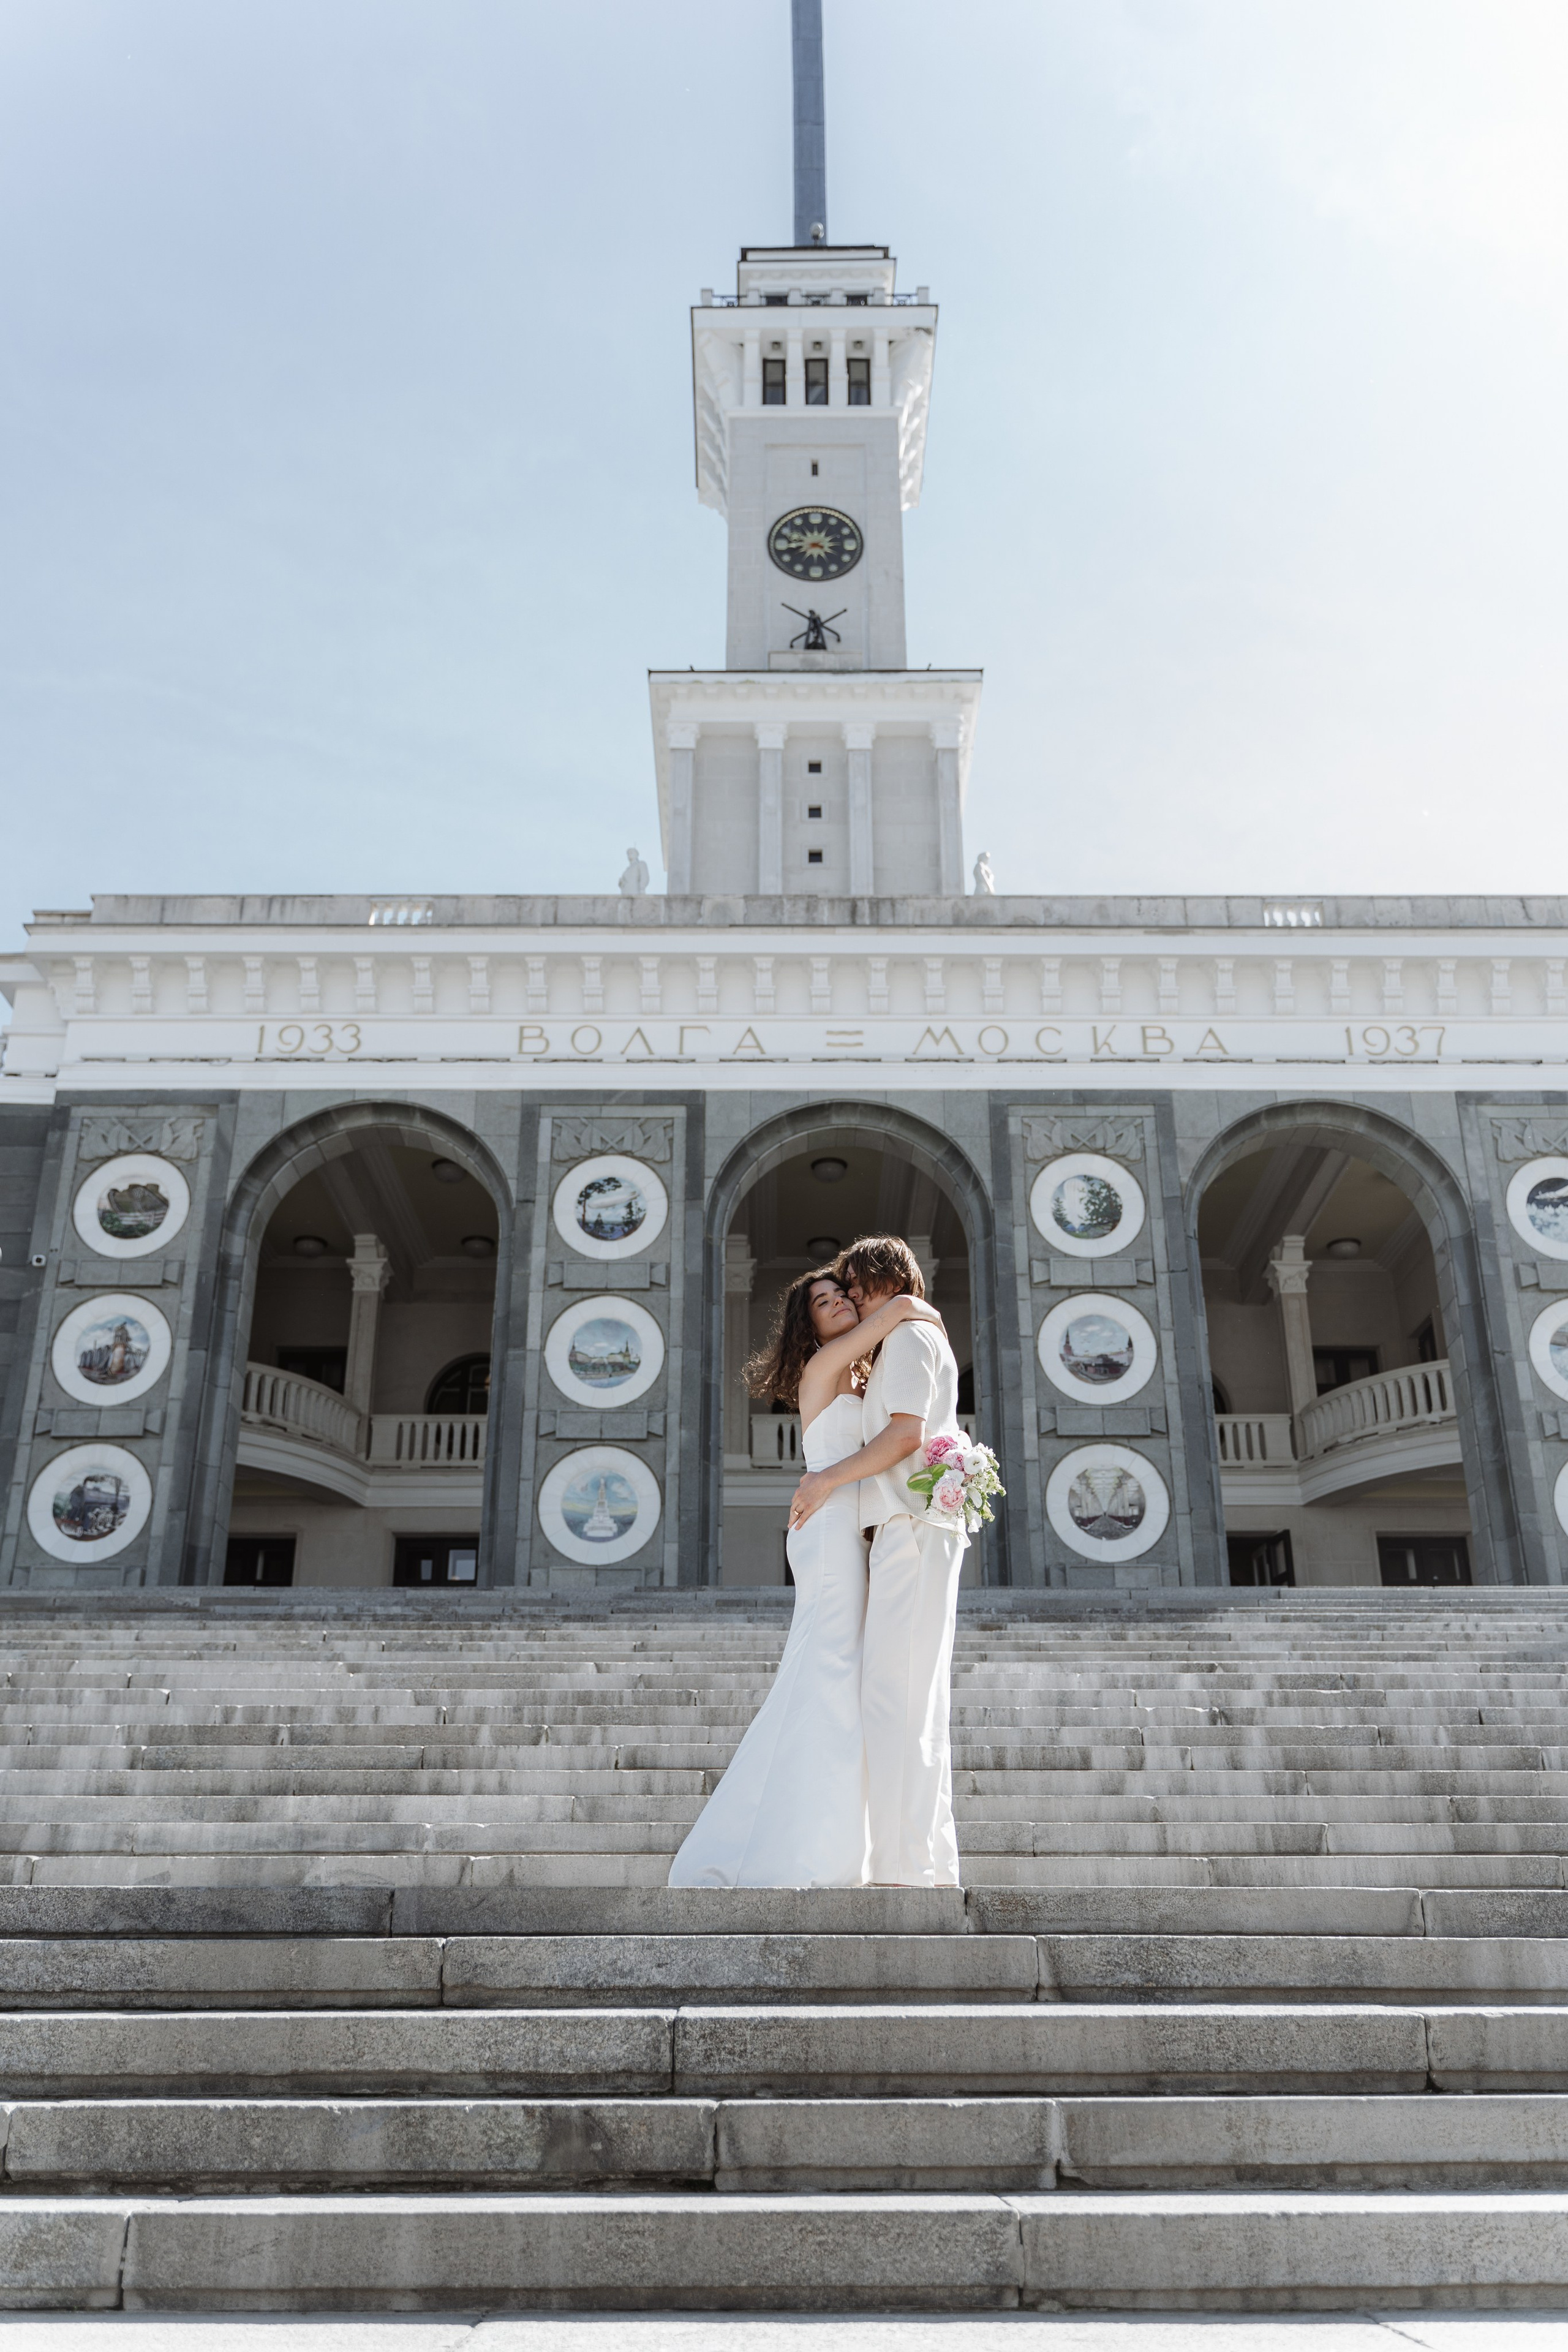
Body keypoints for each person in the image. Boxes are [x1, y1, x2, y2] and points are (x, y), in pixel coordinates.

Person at [668, 1265, 943, 1888]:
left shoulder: (868, 1375)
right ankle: (802, 1847)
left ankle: (836, 1836)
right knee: (830, 1669)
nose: (839, 1304)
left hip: (856, 1525)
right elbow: (895, 1312)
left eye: (841, 1295)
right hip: (825, 1528)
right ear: (808, 1323)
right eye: (824, 1301)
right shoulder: (821, 1368)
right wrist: (910, 1304)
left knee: (841, 1675)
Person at [788, 1235, 967, 1889]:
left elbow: (904, 1434)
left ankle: (907, 1862)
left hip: (905, 1525)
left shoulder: (908, 1339)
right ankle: (907, 1857)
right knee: (887, 1693)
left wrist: (826, 1478)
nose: (850, 1298)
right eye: (833, 1296)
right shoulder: (884, 1341)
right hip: (877, 1527)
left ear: (884, 1280)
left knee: (896, 1694)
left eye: (855, 1287)